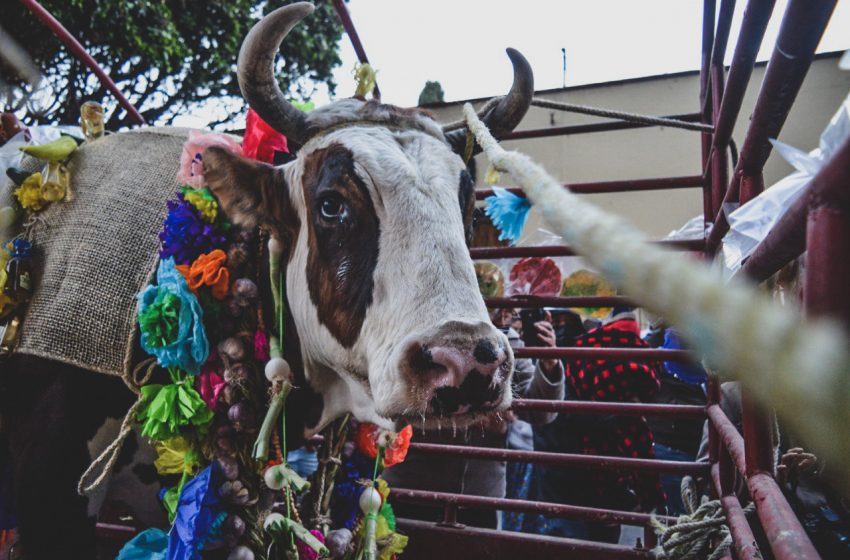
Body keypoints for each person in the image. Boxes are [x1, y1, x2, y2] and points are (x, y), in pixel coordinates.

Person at [382, 307, 564, 529]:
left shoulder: (505, 338)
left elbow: (541, 412)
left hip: (479, 493)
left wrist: (549, 363)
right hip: (413, 483)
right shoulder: (420, 327)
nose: (506, 313)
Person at [530, 307, 665, 542]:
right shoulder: (546, 361)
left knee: (599, 540)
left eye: (565, 322)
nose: (560, 329)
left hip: (597, 480)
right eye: (555, 323)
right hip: (558, 475)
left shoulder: (589, 361)